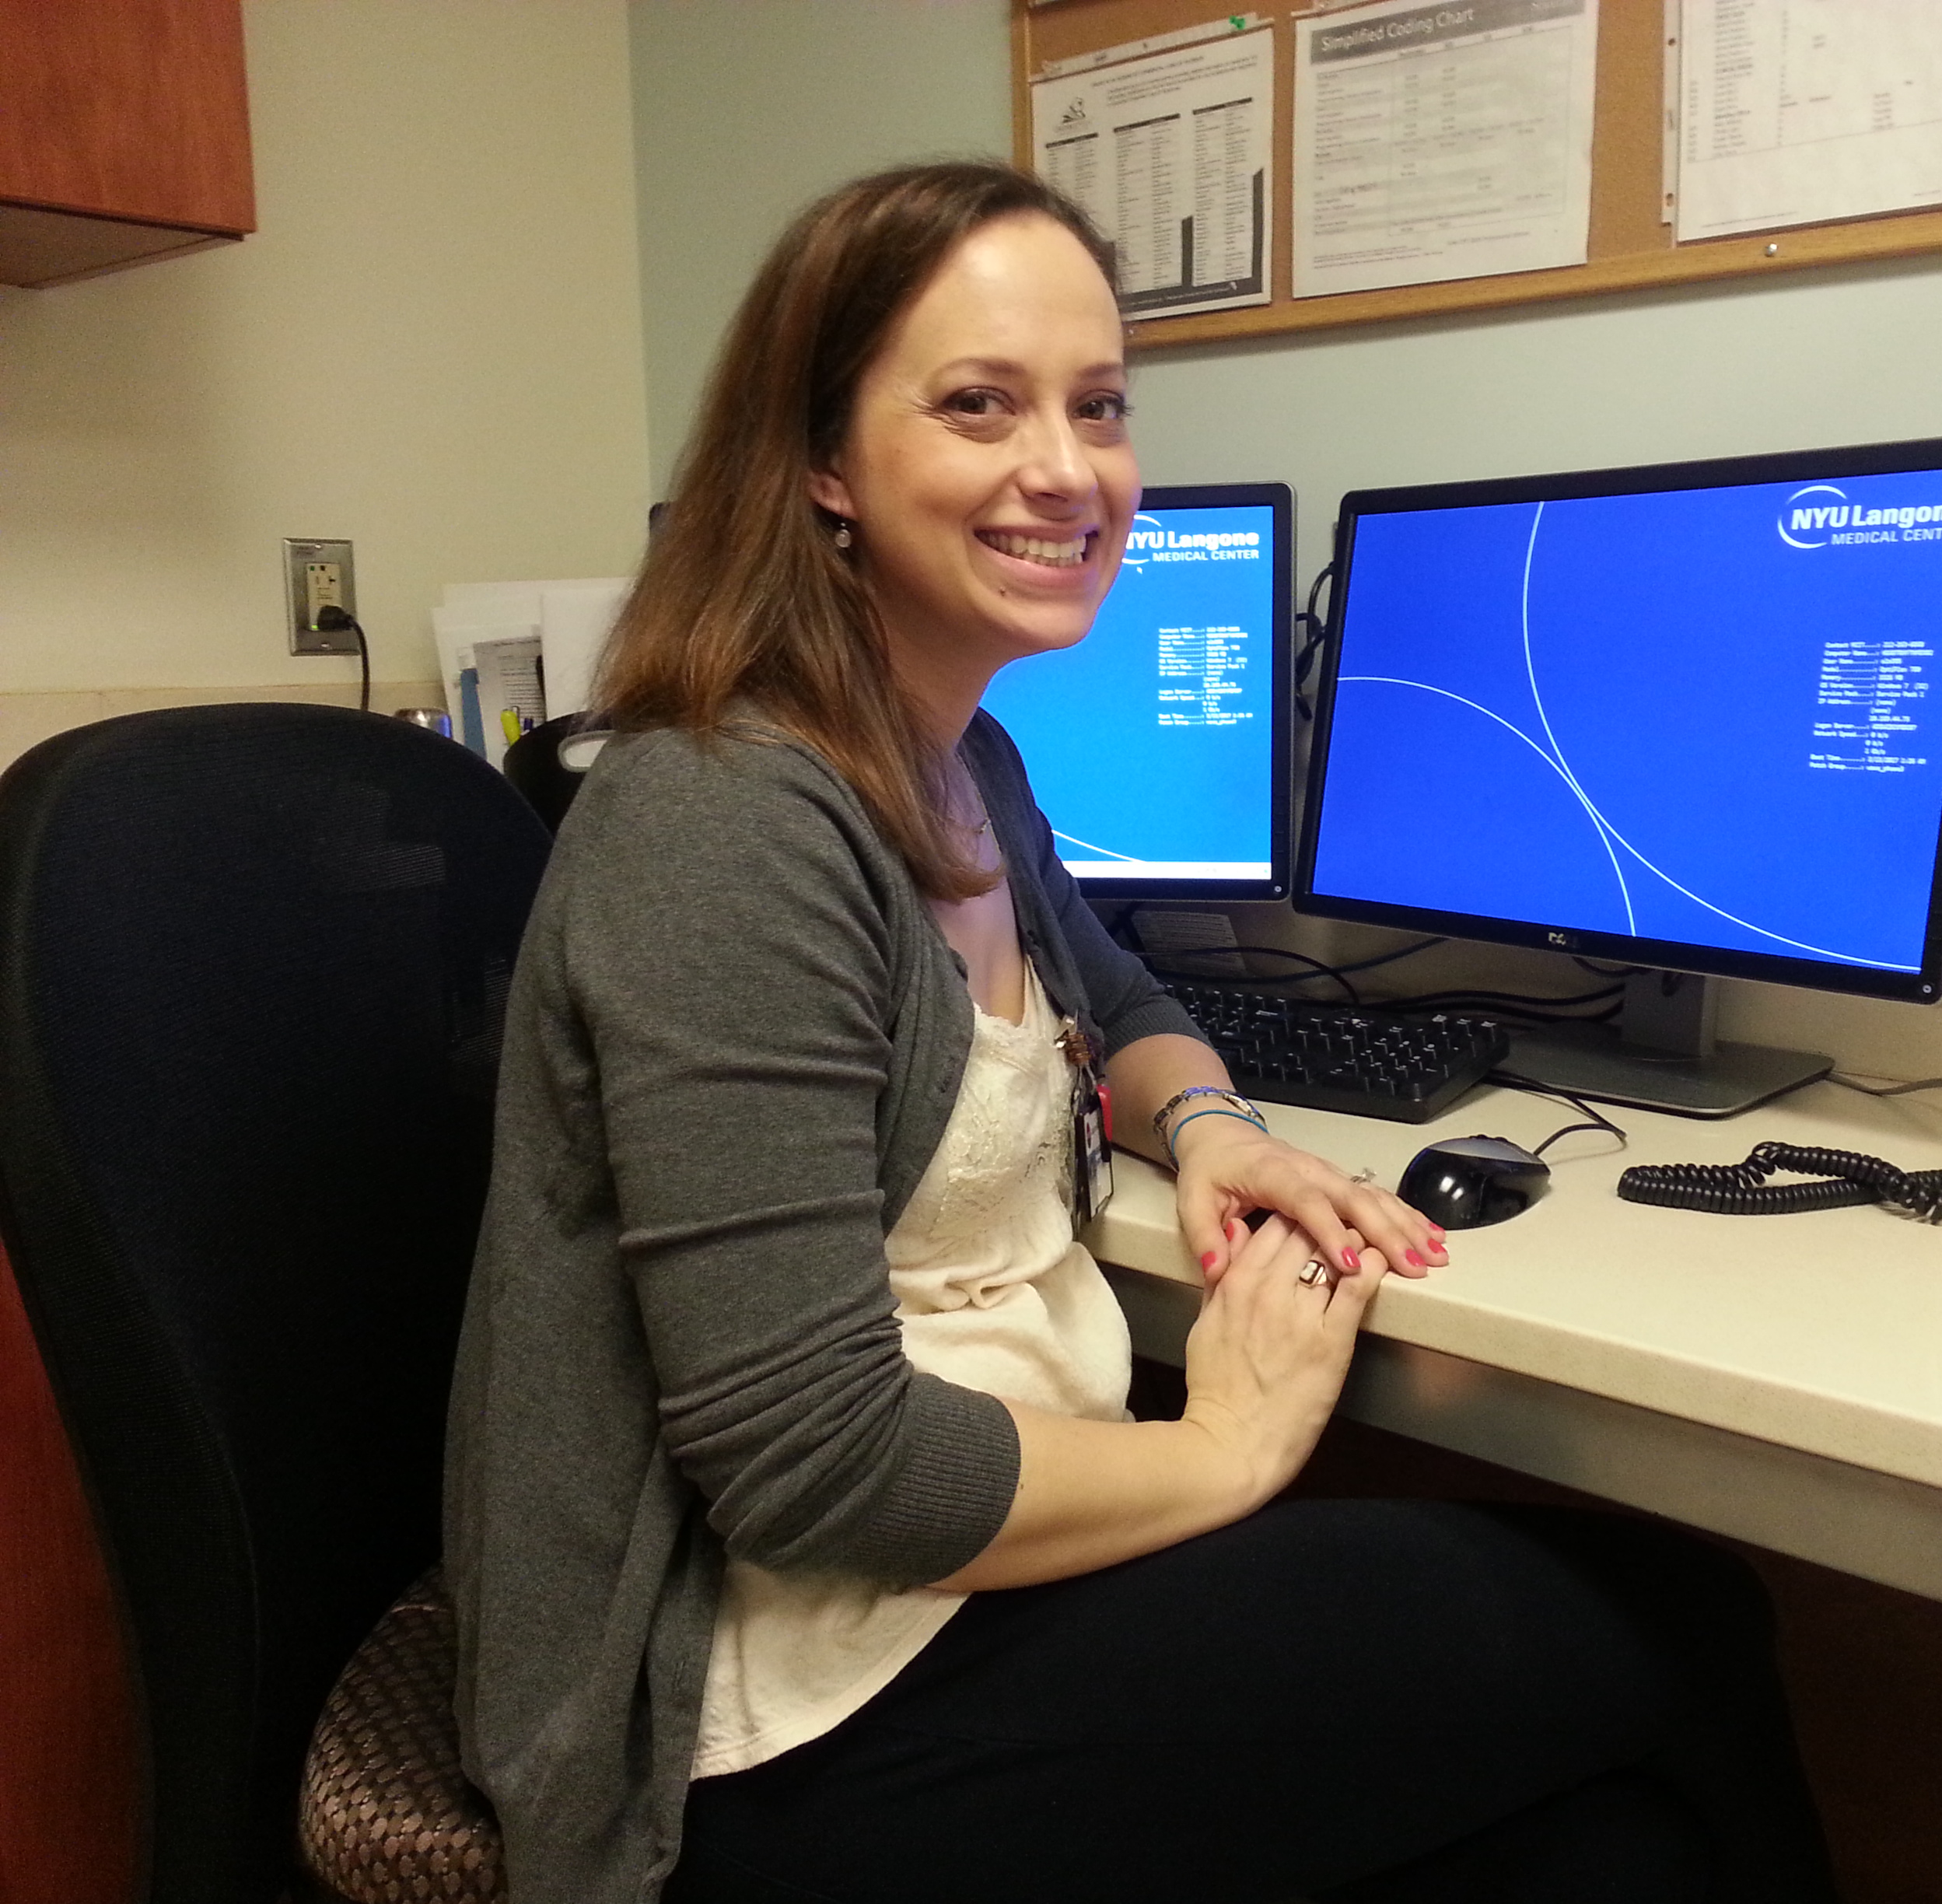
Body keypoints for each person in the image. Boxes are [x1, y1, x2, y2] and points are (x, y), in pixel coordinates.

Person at [445, 161, 1839, 1904]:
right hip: (770, 1704)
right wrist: (1225, 1448)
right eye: (980, 404)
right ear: (820, 464)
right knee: (1683, 1621)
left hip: (967, 1576)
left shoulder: (960, 760)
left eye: (1098, 406)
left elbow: (1114, 999)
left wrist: (1212, 1128)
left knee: (1615, 1859)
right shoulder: (724, 820)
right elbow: (815, 1471)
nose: (1068, 467)